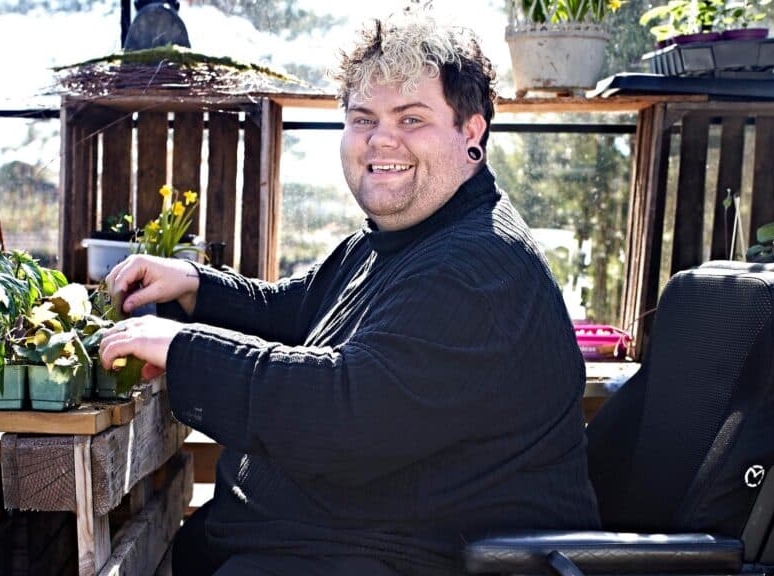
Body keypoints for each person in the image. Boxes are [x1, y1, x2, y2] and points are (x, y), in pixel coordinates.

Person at [99, 9, 600, 575]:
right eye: (364, 118)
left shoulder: (477, 270)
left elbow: (343, 413)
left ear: (470, 133)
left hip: (414, 560)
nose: (381, 139)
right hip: (336, 541)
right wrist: (195, 287)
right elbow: (300, 312)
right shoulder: (403, 237)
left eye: (411, 119)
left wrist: (183, 348)